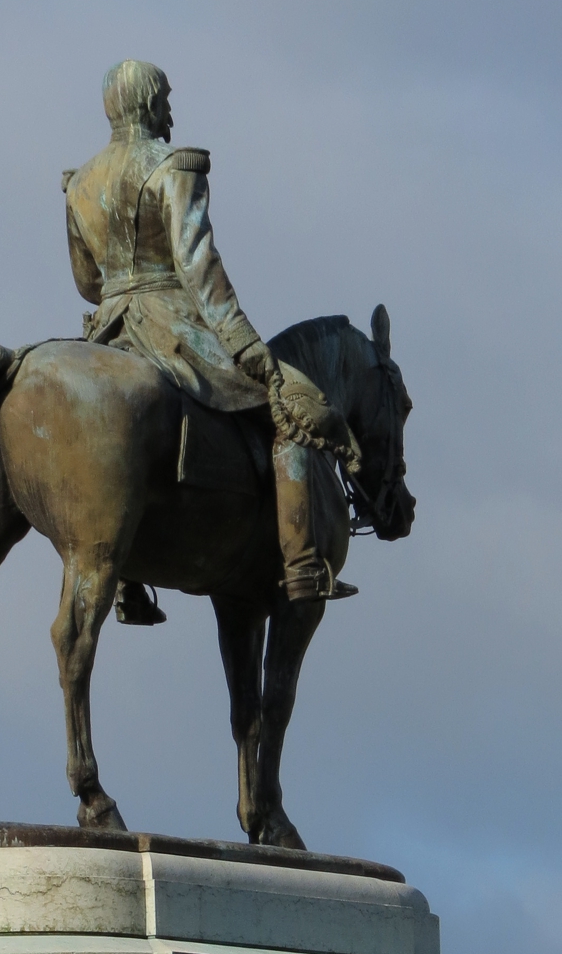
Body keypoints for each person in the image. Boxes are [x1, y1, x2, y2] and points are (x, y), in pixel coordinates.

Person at [62, 59, 356, 623]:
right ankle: (301, 564)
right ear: (148, 105)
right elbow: (198, 266)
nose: (171, 108)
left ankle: (126, 578)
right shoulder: (174, 166)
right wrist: (248, 347)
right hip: (171, 325)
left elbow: (85, 281)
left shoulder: (79, 182)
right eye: (166, 98)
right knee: (291, 408)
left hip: (108, 332)